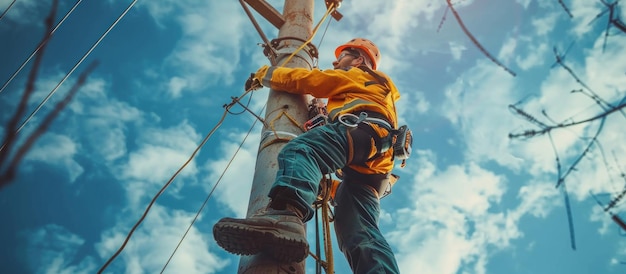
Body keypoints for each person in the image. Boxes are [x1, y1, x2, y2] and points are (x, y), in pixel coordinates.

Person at [213, 38, 403, 273]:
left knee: (301, 151)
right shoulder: (376, 89)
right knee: (361, 233)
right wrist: (325, 188)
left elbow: (311, 81)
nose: (335, 61)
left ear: (359, 60)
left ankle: (285, 216)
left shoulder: (359, 75)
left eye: (343, 56)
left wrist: (267, 73)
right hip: (373, 166)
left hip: (364, 133)